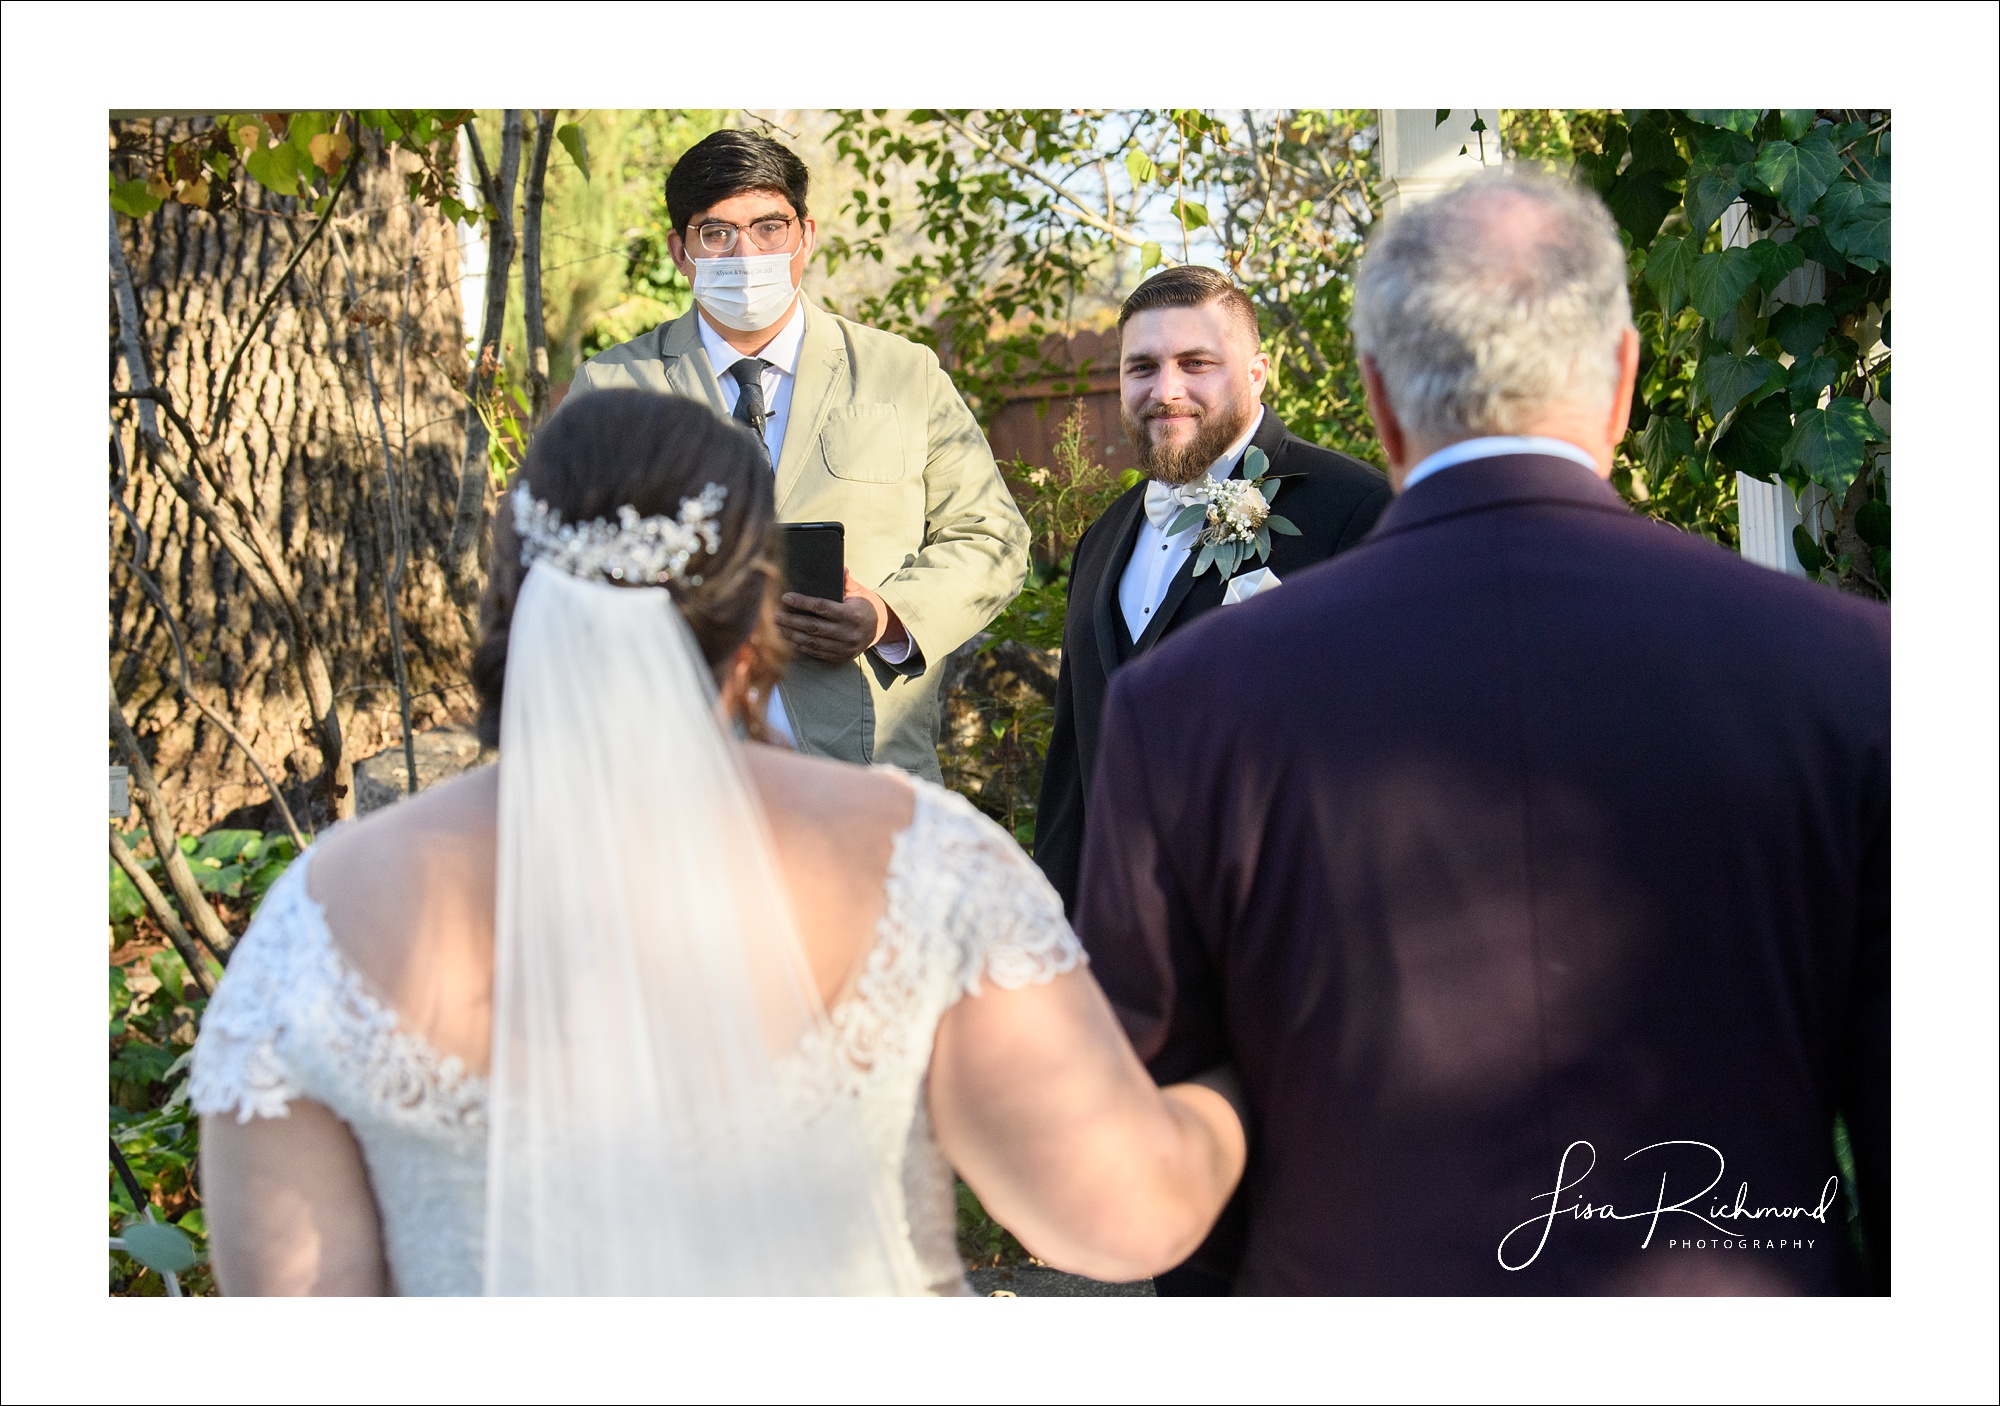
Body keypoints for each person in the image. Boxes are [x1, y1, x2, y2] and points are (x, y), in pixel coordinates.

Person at [189, 390, 1244, 1295]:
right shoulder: (915, 856)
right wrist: (1230, 1092)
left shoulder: (322, 916)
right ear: (757, 625)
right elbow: (1122, 1216)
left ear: (512, 599)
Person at [1073, 172, 1890, 1294]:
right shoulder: (1855, 673)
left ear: (1376, 394)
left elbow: (1154, 1115)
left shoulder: (1183, 708)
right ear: (1621, 377)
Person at [567, 129, 1029, 781]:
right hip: (675, 769)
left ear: (805, 235)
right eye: (716, 233)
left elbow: (993, 536)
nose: (745, 253)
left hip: (865, 763)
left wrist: (887, 616)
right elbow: (556, 566)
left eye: (767, 227)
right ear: (681, 250)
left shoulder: (903, 373)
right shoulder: (614, 388)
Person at [1033, 265, 1390, 922]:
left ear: (1256, 373)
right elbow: (1072, 777)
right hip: (1126, 954)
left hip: (1287, 936)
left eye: (1196, 363)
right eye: (1141, 368)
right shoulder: (1101, 540)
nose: (1166, 391)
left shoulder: (1352, 510)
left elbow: (1388, 761)